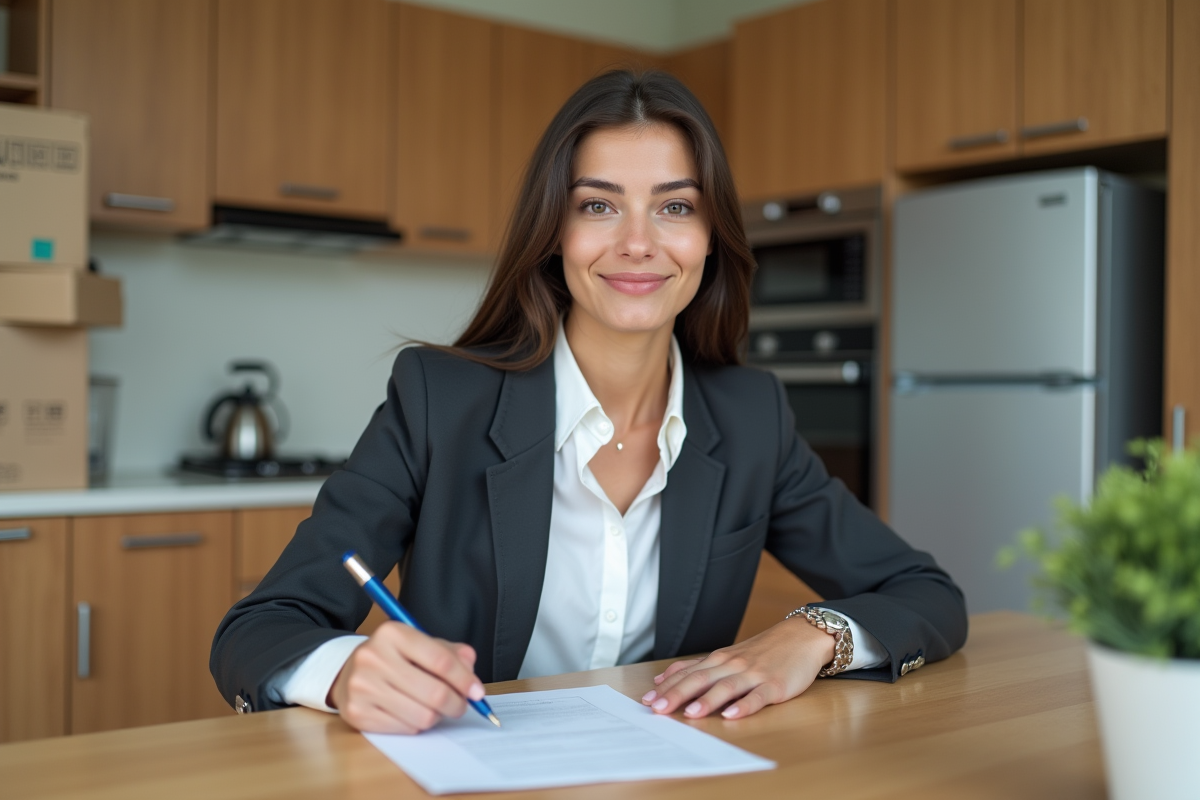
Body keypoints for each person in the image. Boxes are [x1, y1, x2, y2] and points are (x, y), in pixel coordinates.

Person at [210, 70, 968, 734]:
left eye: (675, 207)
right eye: (599, 207)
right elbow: (259, 631)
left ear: (710, 238)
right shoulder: (439, 400)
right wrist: (347, 673)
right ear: (554, 233)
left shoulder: (750, 417)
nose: (638, 243)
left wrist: (811, 635)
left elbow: (926, 595)